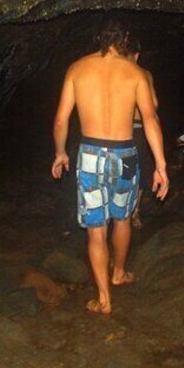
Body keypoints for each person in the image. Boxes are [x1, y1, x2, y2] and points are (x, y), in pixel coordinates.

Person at [51, 20, 169, 315]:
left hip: (90, 155)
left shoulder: (77, 69)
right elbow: (151, 119)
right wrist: (161, 165)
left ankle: (104, 299)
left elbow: (61, 120)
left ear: (98, 40)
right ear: (124, 42)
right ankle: (119, 273)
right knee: (123, 218)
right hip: (125, 154)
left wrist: (60, 153)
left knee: (95, 231)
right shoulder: (135, 73)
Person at [131, 62, 158, 229]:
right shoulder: (143, 73)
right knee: (138, 172)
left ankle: (127, 211)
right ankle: (133, 211)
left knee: (125, 172)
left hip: (112, 133)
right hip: (136, 130)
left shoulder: (109, 71)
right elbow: (153, 105)